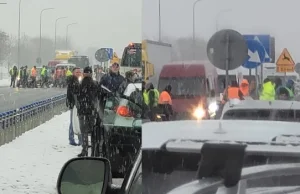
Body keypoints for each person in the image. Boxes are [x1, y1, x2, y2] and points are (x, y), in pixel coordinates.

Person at [76, 66, 99, 157]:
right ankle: (93, 150)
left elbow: (77, 96)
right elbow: (97, 97)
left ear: (84, 73)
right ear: (91, 74)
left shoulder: (80, 84)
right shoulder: (95, 84)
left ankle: (85, 149)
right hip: (91, 111)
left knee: (83, 131)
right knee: (93, 130)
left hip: (82, 111)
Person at [66, 67, 83, 146]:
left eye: (79, 72)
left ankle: (79, 140)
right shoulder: (72, 81)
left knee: (77, 122)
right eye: (77, 72)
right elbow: (72, 94)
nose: (78, 73)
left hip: (78, 104)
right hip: (74, 105)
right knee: (74, 122)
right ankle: (72, 139)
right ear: (73, 73)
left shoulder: (79, 81)